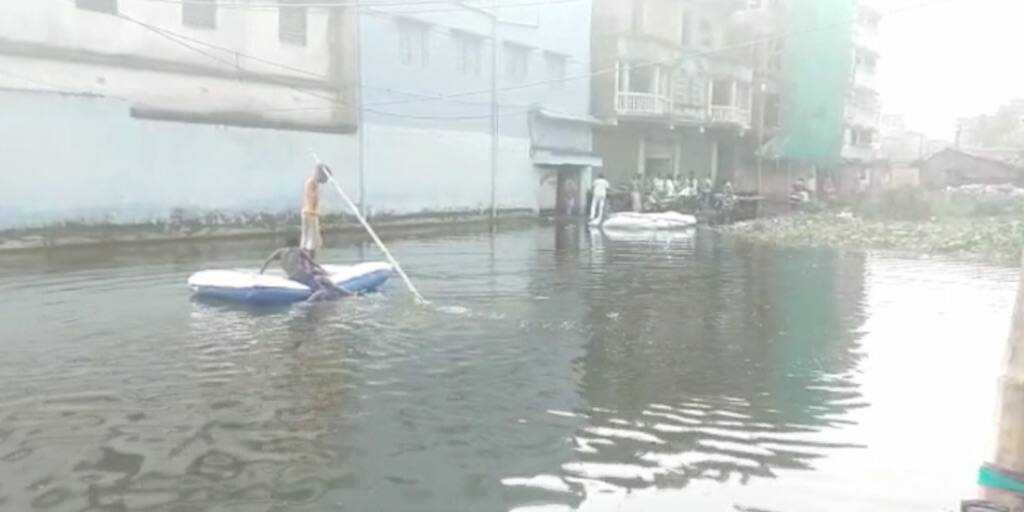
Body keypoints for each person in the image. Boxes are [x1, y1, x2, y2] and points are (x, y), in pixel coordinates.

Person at [260, 236, 348, 302]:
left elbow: (267, 261)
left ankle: (348, 294)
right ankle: (307, 303)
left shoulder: (280, 251)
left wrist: (261, 273)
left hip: (292, 277)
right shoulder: (298, 250)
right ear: (297, 243)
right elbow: (311, 262)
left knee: (324, 279)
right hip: (302, 276)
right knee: (322, 290)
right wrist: (322, 269)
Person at [301, 164, 331, 259]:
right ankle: (308, 265)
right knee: (311, 243)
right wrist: (317, 213)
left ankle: (308, 265)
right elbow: (310, 201)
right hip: (309, 214)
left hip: (310, 214)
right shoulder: (311, 184)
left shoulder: (313, 183)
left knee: (309, 241)